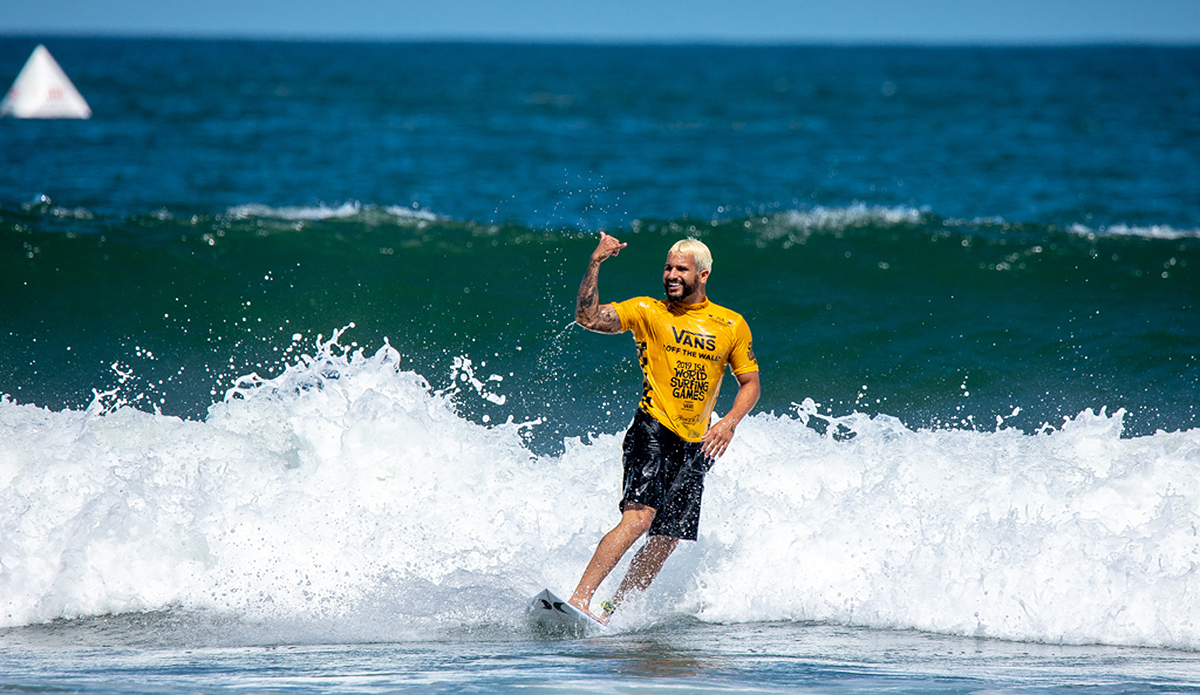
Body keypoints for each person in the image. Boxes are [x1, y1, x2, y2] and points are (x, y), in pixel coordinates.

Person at [568, 231, 761, 621]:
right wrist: (595, 262)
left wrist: (729, 423)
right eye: (668, 267)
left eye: (681, 269)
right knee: (638, 518)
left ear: (703, 274)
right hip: (653, 429)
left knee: (666, 538)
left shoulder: (731, 324)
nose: (671, 274)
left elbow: (750, 383)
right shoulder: (647, 311)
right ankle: (578, 600)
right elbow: (587, 317)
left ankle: (610, 610)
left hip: (699, 443)